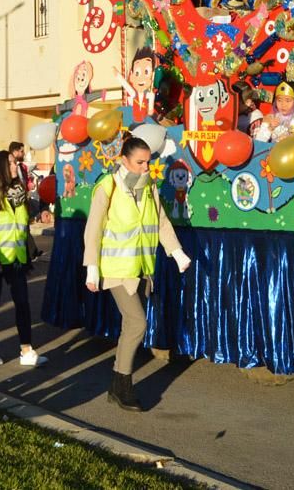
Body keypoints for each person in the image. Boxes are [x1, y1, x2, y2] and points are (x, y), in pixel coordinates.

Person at [83, 137, 192, 412]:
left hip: (142, 268)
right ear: (124, 160)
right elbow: (93, 230)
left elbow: (160, 222)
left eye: (149, 162)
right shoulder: (107, 187)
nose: (146, 168)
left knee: (130, 327)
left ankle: (116, 387)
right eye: (140, 162)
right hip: (116, 270)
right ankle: (122, 386)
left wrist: (176, 252)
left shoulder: (150, 187)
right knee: (137, 324)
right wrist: (92, 268)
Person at [0, 150, 46, 367]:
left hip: (16, 259)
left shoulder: (17, 191)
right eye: (12, 163)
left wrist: (29, 252)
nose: (16, 166)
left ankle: (26, 350)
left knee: (22, 302)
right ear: (0, 166)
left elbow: (21, 226)